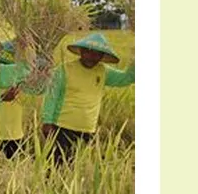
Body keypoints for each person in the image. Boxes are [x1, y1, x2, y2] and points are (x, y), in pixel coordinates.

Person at [40, 32, 135, 164]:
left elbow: (126, 79)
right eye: (88, 52)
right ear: (81, 51)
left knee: (78, 167)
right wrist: (47, 122)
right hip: (61, 127)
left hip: (87, 129)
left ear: (102, 56)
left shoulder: (103, 71)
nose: (92, 57)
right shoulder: (64, 70)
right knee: (56, 165)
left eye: (97, 53)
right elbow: (51, 96)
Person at [0, 41, 45, 159]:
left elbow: (37, 90)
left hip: (14, 132)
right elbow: (5, 74)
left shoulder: (27, 58)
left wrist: (43, 75)